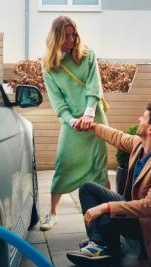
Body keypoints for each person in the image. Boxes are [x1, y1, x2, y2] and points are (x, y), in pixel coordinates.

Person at [66, 103, 151, 267]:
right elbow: (117, 137)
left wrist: (107, 207)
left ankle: (109, 249)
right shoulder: (140, 144)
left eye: (144, 117)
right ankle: (100, 244)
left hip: (147, 223)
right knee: (87, 188)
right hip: (132, 208)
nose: (139, 119)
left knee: (105, 216)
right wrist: (92, 126)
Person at [39, 16, 109, 231]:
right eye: (66, 35)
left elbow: (93, 87)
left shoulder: (87, 55)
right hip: (72, 124)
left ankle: (108, 213)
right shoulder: (49, 66)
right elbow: (58, 102)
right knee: (63, 163)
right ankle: (52, 214)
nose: (71, 39)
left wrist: (88, 115)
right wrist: (71, 120)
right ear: (56, 37)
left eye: (73, 34)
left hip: (94, 118)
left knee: (100, 167)